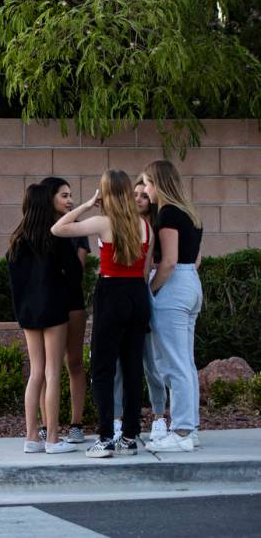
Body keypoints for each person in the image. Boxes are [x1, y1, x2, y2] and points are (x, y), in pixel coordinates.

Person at [52, 170, 151, 458]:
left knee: (102, 369)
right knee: (133, 367)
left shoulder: (102, 222)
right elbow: (144, 268)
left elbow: (58, 229)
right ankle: (130, 436)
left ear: (106, 194)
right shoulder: (144, 225)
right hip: (137, 294)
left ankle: (106, 437)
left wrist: (85, 205)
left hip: (112, 293)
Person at [7, 184, 77, 454]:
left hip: (27, 313)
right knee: (53, 373)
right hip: (54, 309)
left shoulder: (16, 239)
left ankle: (32, 437)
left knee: (35, 373)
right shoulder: (55, 236)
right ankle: (53, 439)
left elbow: (14, 284)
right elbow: (73, 272)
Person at [142, 160, 203, 453]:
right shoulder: (189, 213)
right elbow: (195, 259)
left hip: (174, 285)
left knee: (172, 363)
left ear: (158, 183)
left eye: (147, 183)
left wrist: (150, 292)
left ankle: (180, 431)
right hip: (191, 282)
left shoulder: (167, 214)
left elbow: (167, 261)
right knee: (185, 362)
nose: (145, 189)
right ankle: (190, 428)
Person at [113, 179, 169, 442]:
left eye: (143, 195)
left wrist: (152, 289)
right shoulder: (117, 227)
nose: (138, 199)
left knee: (151, 362)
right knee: (117, 366)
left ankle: (159, 417)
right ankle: (116, 419)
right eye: (133, 194)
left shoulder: (157, 227)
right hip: (121, 297)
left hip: (147, 296)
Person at [38, 177, 89, 445]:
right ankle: (47, 425)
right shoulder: (38, 227)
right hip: (46, 302)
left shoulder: (77, 227)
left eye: (71, 195)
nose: (70, 200)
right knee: (46, 366)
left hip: (71, 300)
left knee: (74, 362)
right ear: (50, 198)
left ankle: (76, 424)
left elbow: (77, 270)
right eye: (64, 195)